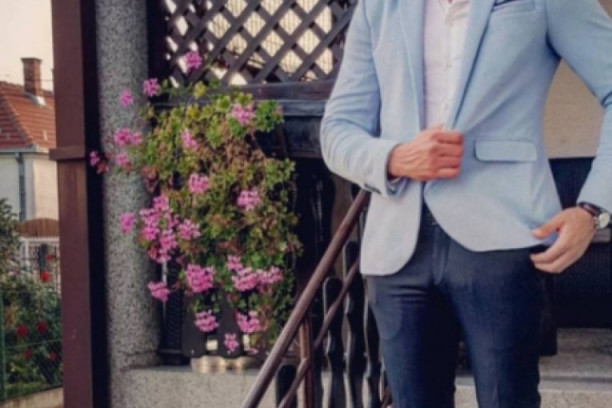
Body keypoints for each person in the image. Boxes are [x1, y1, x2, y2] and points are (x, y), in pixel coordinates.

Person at [319, 0, 612, 407]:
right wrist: (393, 158)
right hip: (398, 248)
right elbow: (338, 128)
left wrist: (594, 208)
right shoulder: (379, 7)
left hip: (503, 236)